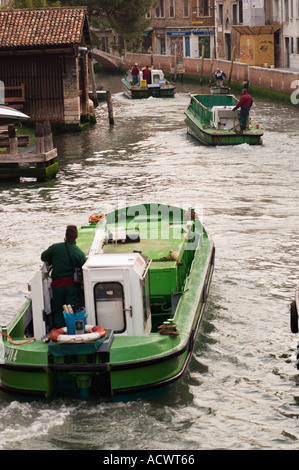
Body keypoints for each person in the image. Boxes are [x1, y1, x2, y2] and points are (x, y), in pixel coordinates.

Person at [41, 225, 87, 328]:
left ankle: (58, 330)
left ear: (65, 235)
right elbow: (84, 268)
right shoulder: (79, 253)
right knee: (72, 310)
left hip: (57, 286)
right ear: (76, 237)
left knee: (59, 310)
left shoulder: (55, 248)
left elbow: (43, 256)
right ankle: (72, 330)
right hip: (72, 287)